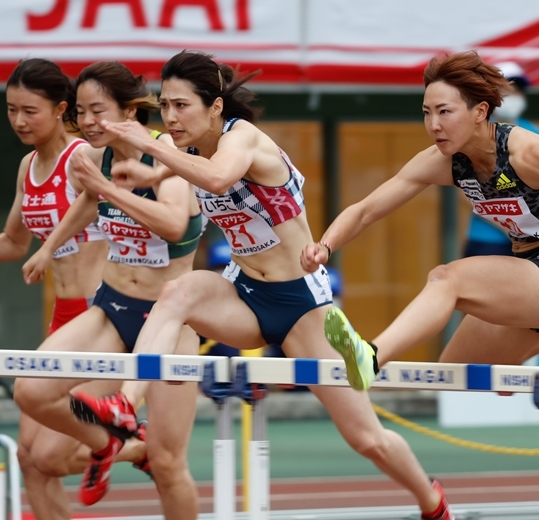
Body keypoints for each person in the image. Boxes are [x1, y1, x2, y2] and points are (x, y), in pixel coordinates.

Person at [70, 51, 455, 520]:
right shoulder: (189, 150)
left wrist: (150, 149)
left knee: (366, 438)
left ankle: (431, 501)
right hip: (245, 292)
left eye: (181, 106)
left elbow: (216, 176)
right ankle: (127, 407)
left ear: (215, 107)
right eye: (164, 106)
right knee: (177, 293)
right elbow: (186, 166)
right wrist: (151, 175)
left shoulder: (243, 139)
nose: (169, 117)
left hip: (301, 305)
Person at [299, 50, 539, 391]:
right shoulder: (444, 161)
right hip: (527, 273)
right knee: (455, 372)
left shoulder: (526, 154)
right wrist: (326, 244)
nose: (433, 125)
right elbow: (366, 209)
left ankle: (371, 356)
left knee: (446, 278)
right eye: (426, 113)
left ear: (480, 111)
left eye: (444, 112)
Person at [13, 60, 204, 517]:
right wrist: (47, 248)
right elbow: (87, 201)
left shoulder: (167, 155)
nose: (88, 122)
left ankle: (133, 446)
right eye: (81, 112)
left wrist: (106, 189)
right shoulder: (95, 156)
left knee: (168, 462)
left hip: (169, 320)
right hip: (114, 308)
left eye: (98, 110)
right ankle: (108, 441)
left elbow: (176, 224)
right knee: (30, 390)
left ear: (130, 111)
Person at [1, 58, 114, 520]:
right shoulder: (29, 165)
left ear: (61, 108)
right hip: (60, 319)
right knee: (31, 462)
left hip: (98, 316)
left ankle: (136, 445)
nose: (19, 121)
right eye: (11, 110)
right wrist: (38, 249)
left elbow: (96, 206)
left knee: (49, 455)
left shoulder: (83, 156)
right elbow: (13, 241)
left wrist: (50, 249)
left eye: (31, 110)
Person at [463, 61, 539, 258]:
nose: (513, 95)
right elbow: (463, 190)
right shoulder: (475, 132)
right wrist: (509, 228)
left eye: (517, 90)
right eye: (506, 89)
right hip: (486, 240)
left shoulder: (535, 133)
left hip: (530, 240)